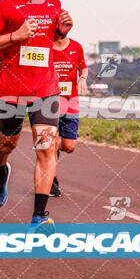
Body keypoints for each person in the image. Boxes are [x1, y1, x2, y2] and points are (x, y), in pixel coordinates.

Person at [0, 0, 73, 229]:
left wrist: (61, 32)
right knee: (8, 145)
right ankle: (0, 169)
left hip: (45, 88)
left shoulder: (54, 3)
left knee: (46, 147)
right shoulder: (5, 5)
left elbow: (49, 43)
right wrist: (15, 36)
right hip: (11, 89)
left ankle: (38, 216)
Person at [50, 36, 88, 197]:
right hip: (49, 103)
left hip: (71, 102)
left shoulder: (76, 46)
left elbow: (83, 67)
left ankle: (47, 149)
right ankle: (50, 179)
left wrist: (82, 78)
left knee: (69, 146)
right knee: (52, 142)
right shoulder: (46, 46)